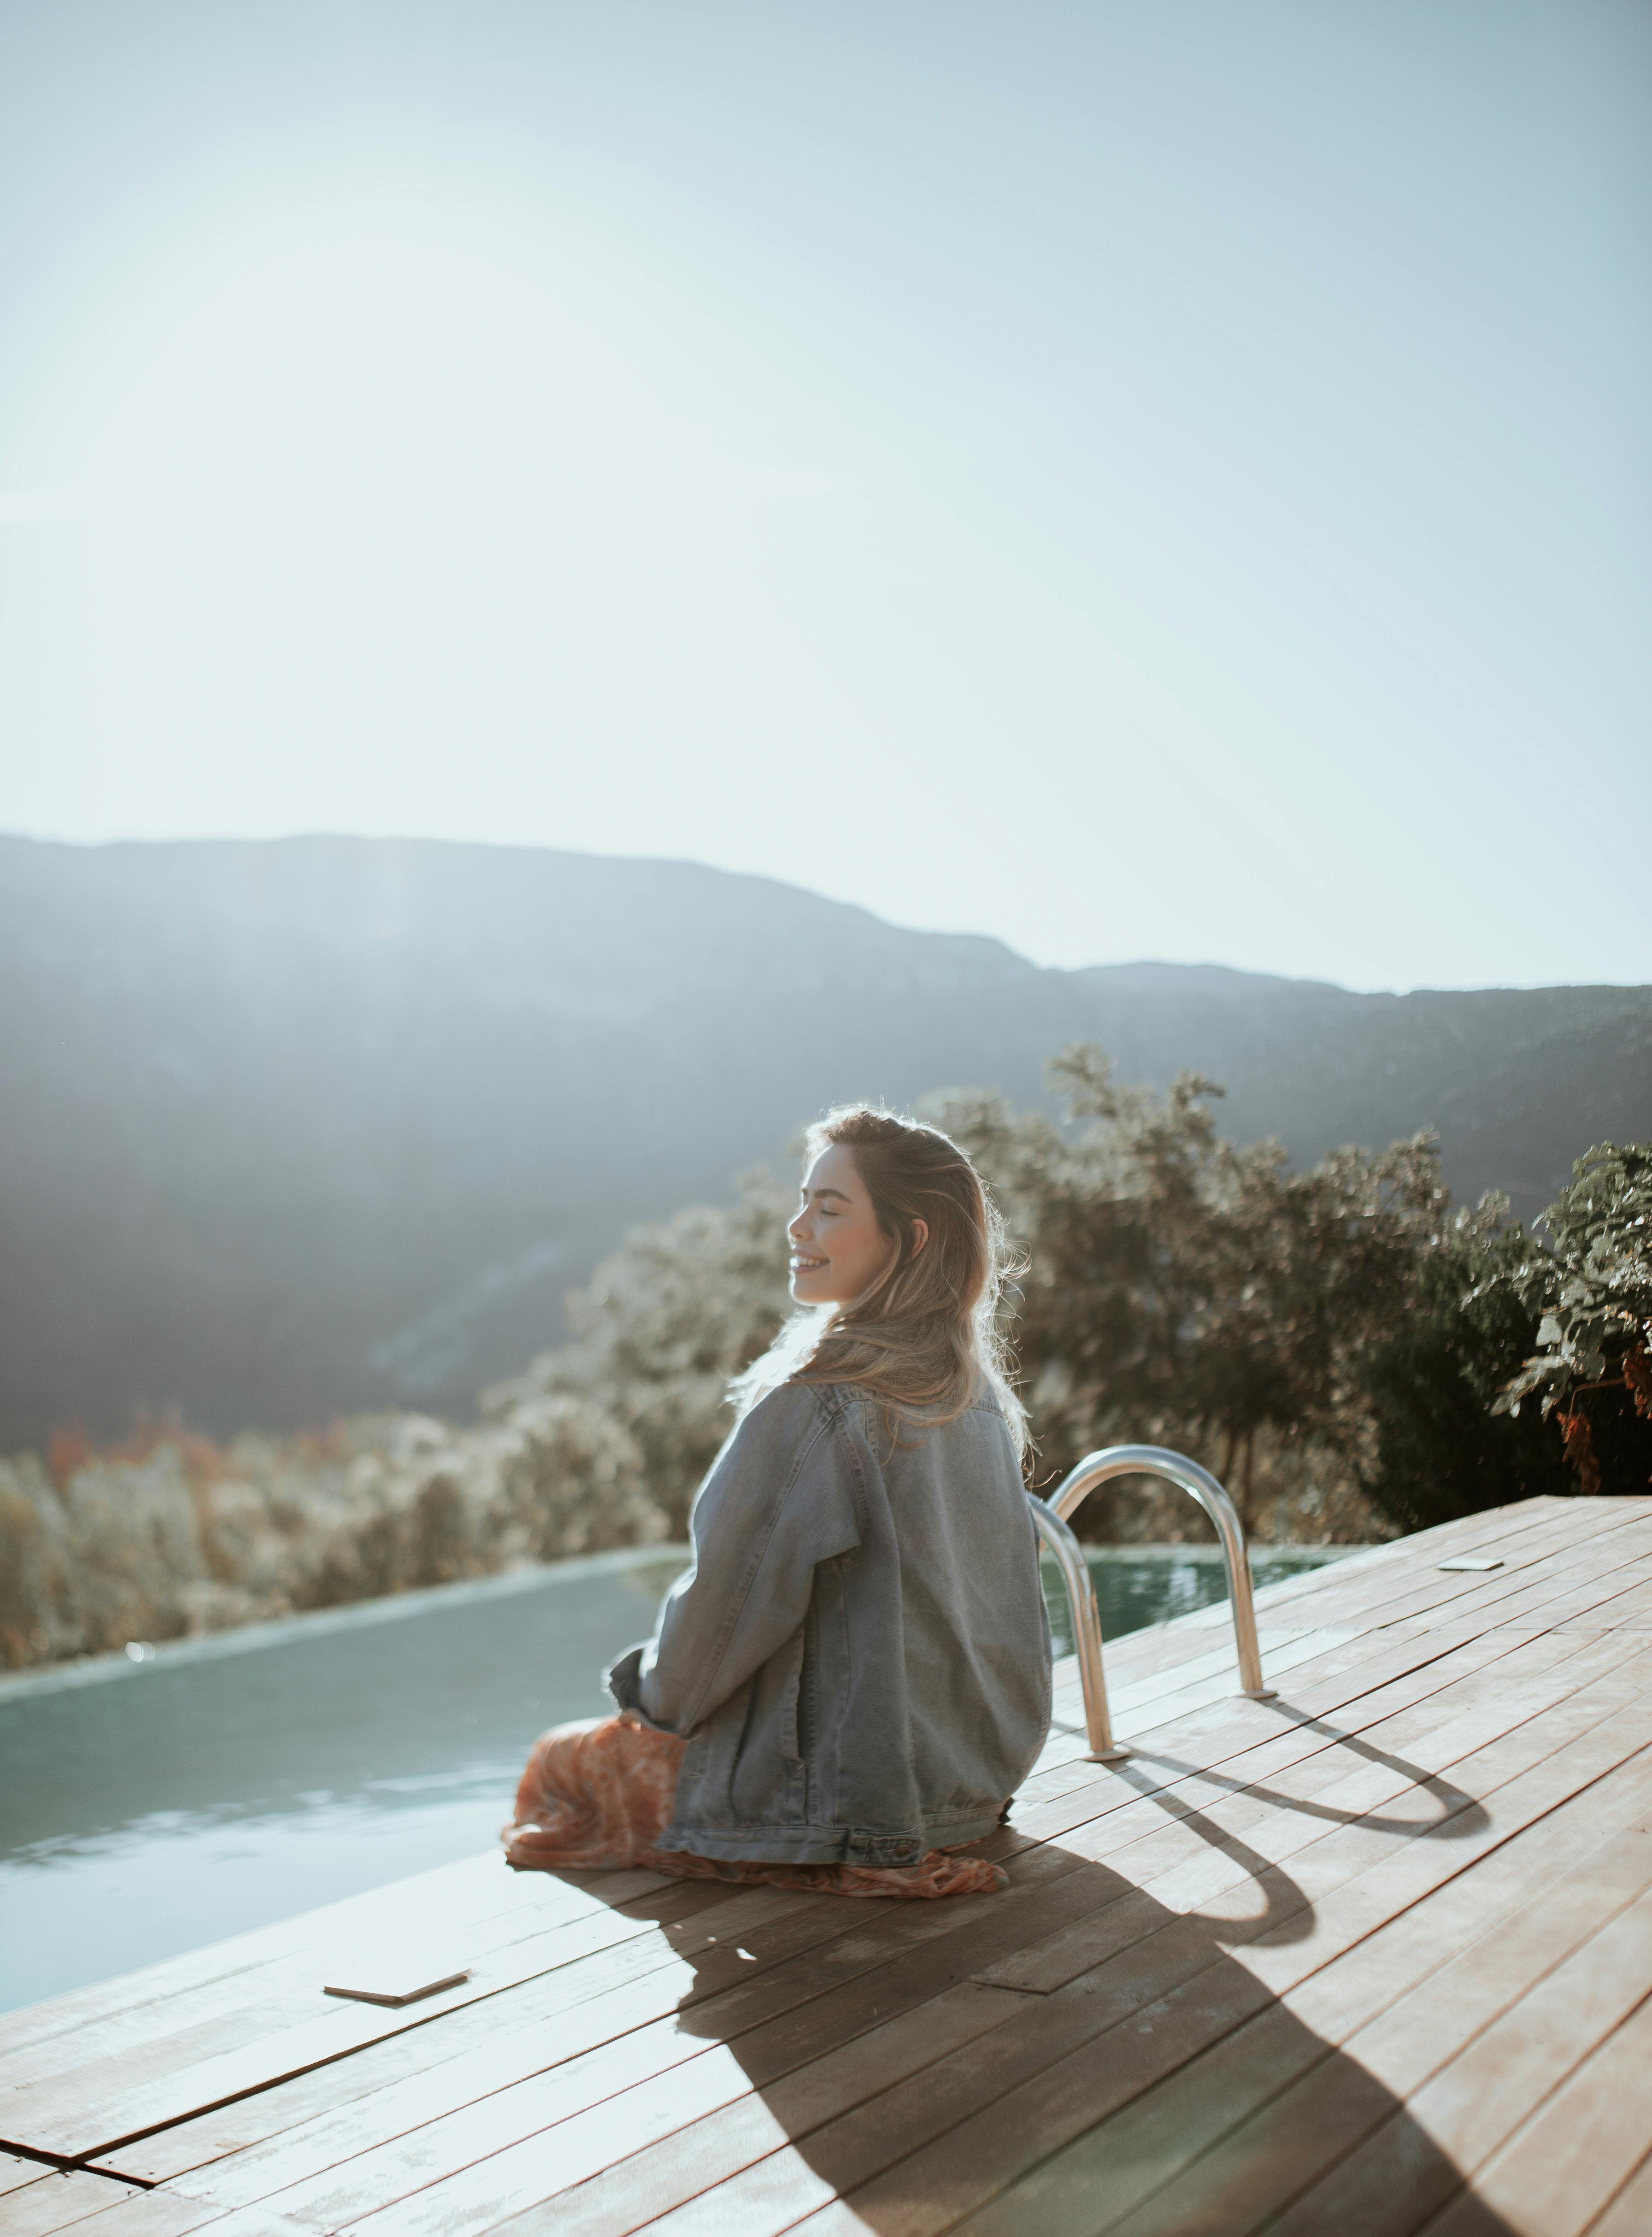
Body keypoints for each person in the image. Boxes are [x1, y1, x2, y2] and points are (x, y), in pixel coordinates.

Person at [503, 1106, 1052, 1899]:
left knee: (562, 1762)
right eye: (804, 1201)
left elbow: (719, 1617)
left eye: (830, 1209)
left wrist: (651, 1712)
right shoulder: (976, 1398)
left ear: (915, 1236)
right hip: (970, 1784)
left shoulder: (822, 1403)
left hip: (849, 1802)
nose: (798, 1227)